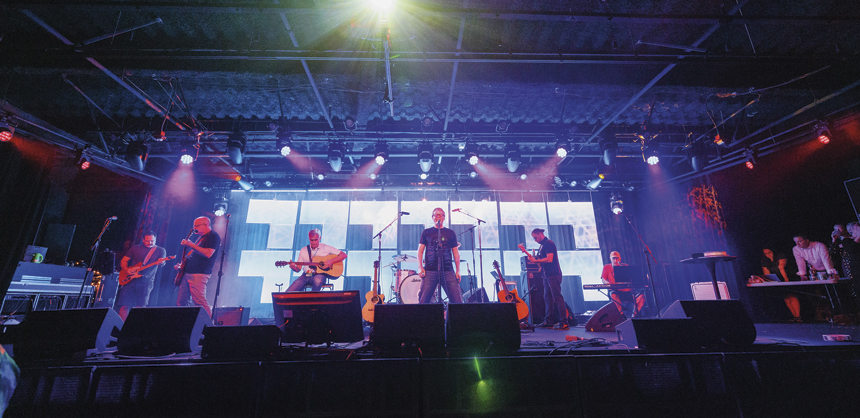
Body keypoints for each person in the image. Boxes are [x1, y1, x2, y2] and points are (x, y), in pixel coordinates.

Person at [523, 228, 569, 330]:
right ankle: (549, 321)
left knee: (557, 297)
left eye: (535, 237)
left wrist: (536, 260)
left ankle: (564, 323)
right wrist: (533, 259)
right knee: (547, 298)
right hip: (546, 275)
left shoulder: (548, 244)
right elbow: (540, 262)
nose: (535, 240)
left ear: (540, 234)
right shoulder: (541, 246)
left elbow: (549, 258)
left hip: (553, 274)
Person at [175, 216, 221, 317]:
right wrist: (182, 265)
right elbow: (195, 254)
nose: (193, 228)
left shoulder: (213, 236)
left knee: (199, 301)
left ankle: (208, 326)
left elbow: (208, 253)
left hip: (199, 273)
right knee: (182, 302)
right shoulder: (202, 237)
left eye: (196, 226)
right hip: (188, 272)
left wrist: (191, 245)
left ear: (205, 225)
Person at [116, 233, 167, 320]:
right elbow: (124, 260)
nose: (150, 242)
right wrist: (126, 269)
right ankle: (121, 327)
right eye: (147, 241)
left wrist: (161, 262)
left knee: (140, 307)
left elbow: (161, 263)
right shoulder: (135, 248)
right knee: (124, 305)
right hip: (130, 280)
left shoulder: (160, 250)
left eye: (152, 240)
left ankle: (136, 328)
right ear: (143, 240)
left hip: (146, 282)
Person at [417, 208, 463, 304]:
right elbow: (420, 251)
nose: (438, 216)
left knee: (457, 301)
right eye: (436, 215)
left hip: (447, 270)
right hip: (430, 271)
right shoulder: (426, 232)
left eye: (441, 214)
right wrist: (420, 267)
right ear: (432, 217)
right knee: (423, 301)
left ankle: (454, 319)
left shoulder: (450, 233)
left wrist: (458, 270)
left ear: (444, 217)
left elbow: (455, 252)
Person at [600, 251, 645, 317]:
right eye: (613, 258)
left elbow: (632, 278)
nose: (615, 260)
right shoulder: (606, 267)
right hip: (616, 291)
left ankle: (634, 316)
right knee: (613, 294)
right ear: (610, 259)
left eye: (617, 258)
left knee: (641, 297)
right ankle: (621, 315)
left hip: (627, 291)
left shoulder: (625, 266)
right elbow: (603, 279)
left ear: (620, 259)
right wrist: (607, 283)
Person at [761, 248, 801, 322]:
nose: (768, 255)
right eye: (766, 254)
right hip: (778, 280)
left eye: (769, 252)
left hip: (788, 276)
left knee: (792, 296)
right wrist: (771, 281)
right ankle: (795, 316)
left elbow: (781, 268)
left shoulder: (780, 255)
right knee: (786, 297)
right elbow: (767, 273)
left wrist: (786, 281)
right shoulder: (765, 260)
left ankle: (798, 316)